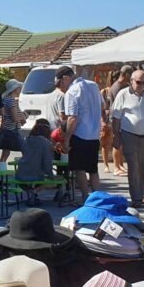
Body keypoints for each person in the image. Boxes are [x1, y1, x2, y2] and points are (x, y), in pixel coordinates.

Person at [110, 70, 144, 206]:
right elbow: (116, 117)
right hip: (129, 135)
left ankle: (141, 194)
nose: (141, 85)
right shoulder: (123, 94)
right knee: (133, 166)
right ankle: (136, 197)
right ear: (131, 81)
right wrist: (116, 136)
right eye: (139, 82)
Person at [62, 65, 104, 202]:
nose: (62, 86)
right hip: (94, 134)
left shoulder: (72, 91)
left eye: (62, 82)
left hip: (80, 134)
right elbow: (103, 106)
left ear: (66, 78)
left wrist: (67, 138)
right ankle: (97, 197)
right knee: (93, 169)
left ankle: (86, 197)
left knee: (79, 168)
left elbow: (72, 117)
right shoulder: (93, 85)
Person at [16, 119, 56, 206]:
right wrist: (51, 176)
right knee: (51, 181)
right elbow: (47, 162)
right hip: (37, 173)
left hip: (21, 173)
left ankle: (31, 193)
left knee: (26, 180)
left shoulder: (26, 140)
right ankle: (34, 192)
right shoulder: (46, 143)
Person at [102, 66, 134, 174]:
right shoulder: (116, 88)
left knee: (120, 143)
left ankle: (120, 165)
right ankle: (116, 167)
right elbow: (117, 105)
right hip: (116, 118)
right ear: (126, 75)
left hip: (122, 118)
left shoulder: (124, 86)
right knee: (116, 142)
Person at [0, 78, 25, 166]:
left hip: (6, 129)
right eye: (19, 87)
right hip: (12, 130)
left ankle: (0, 174)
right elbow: (14, 118)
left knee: (5, 153)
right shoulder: (11, 101)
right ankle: (28, 171)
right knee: (25, 150)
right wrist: (24, 116)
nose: (20, 89)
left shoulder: (6, 99)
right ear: (14, 89)